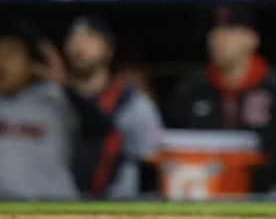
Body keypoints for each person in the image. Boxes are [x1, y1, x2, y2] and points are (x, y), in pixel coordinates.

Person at [168, 5, 276, 193]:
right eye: (214, 31)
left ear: (252, 39)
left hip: (264, 200)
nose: (218, 39)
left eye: (230, 31)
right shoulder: (189, 92)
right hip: (199, 196)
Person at [63, 15, 163, 199]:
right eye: (73, 39)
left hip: (117, 204)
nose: (79, 46)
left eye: (90, 38)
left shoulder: (134, 105)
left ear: (109, 49)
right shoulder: (54, 102)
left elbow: (155, 166)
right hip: (58, 204)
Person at [0, 20, 79, 200]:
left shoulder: (53, 97)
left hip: (55, 207)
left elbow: (98, 122)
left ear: (31, 63)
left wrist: (63, 82)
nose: (2, 62)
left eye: (11, 54)